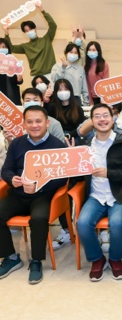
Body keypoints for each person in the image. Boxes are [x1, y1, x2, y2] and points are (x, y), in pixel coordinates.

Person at [0, 105, 67, 284]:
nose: (34, 125)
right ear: (24, 124)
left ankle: (36, 261)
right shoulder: (17, 143)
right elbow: (6, 169)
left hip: (43, 195)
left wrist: (39, 186)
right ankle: (11, 257)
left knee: (38, 219)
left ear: (47, 123)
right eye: (29, 122)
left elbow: (63, 178)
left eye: (38, 121)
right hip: (18, 193)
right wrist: (11, 179)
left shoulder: (57, 145)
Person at [76, 103, 122, 281]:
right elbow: (77, 172)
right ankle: (97, 259)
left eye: (106, 115)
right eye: (97, 116)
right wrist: (70, 157)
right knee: (82, 224)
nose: (102, 119)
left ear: (113, 119)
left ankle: (115, 259)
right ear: (92, 121)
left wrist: (109, 173)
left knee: (118, 224)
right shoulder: (85, 145)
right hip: (95, 196)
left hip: (119, 195)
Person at [2, 1, 57, 77]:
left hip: (51, 74)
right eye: (26, 31)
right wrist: (6, 33)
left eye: (30, 29)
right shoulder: (25, 47)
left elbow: (53, 26)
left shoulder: (47, 39)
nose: (29, 32)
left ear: (35, 28)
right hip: (36, 76)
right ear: (24, 33)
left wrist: (42, 10)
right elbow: (11, 48)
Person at [0, 39, 23, 105]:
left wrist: (19, 80)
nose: (1, 49)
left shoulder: (13, 61)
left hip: (13, 95)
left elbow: (18, 80)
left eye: (3, 47)